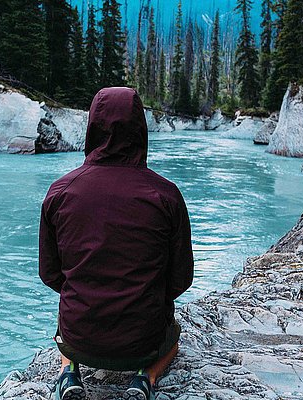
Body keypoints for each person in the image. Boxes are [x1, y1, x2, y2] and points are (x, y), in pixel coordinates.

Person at [39, 87, 194, 400]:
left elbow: (50, 274)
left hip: (80, 337)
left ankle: (69, 372)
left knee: (65, 315)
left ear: (92, 128)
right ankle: (144, 379)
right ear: (140, 131)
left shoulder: (60, 191)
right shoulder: (166, 194)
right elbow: (181, 278)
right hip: (143, 338)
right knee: (173, 338)